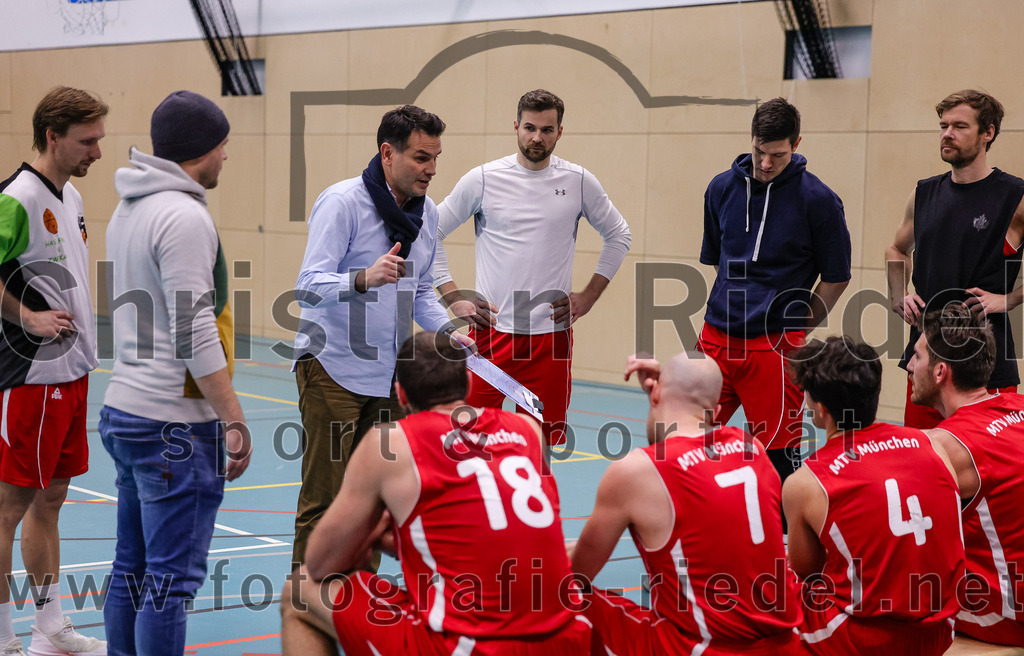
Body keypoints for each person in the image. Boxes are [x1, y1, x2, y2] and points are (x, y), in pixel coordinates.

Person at [280, 331, 590, 655]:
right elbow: (485, 529)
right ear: (469, 385)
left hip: (473, 646)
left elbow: (318, 565)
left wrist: (371, 535)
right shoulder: (526, 430)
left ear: (400, 394)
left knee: (299, 591)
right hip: (566, 635)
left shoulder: (390, 444)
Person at [99, 90, 252, 656]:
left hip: (125, 409)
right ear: (201, 149)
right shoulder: (184, 216)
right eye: (223, 145)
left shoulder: (130, 206)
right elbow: (194, 331)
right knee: (169, 584)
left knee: (132, 568)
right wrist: (233, 419)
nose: (226, 157)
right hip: (173, 425)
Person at [291, 105, 471, 567]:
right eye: (420, 157)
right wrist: (361, 279)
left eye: (435, 157)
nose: (431, 169)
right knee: (325, 499)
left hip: (388, 376)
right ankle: (307, 602)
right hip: (332, 369)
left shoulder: (426, 214)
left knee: (375, 500)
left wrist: (450, 334)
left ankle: (359, 598)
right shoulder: (343, 202)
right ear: (387, 153)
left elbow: (422, 291)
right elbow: (308, 286)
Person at [433, 89, 631, 446]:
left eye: (547, 129)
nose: (537, 137)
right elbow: (428, 232)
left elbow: (619, 235)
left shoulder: (578, 181)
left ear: (559, 132)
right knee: (467, 442)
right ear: (516, 127)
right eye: (529, 127)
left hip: (549, 341)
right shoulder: (483, 179)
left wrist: (588, 296)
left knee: (539, 447)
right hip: (489, 336)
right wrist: (451, 294)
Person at [570, 351, 802, 655]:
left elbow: (577, 571)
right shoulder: (751, 448)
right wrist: (660, 395)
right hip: (787, 643)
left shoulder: (633, 472)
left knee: (553, 587)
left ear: (657, 394)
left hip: (702, 648)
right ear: (717, 411)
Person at [0, 86, 107, 656]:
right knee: (9, 507)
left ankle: (50, 626)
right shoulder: (17, 197)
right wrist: (27, 317)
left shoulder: (72, 198)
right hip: (31, 376)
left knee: (52, 499)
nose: (96, 152)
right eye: (87, 141)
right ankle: (3, 635)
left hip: (73, 371)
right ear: (52, 136)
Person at [698, 97, 850, 487]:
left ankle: (784, 544)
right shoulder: (720, 188)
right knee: (686, 438)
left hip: (775, 346)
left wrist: (798, 326)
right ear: (751, 140)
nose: (765, 163)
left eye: (777, 155)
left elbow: (836, 277)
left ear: (796, 144)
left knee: (778, 455)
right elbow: (719, 260)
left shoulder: (820, 202)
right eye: (759, 152)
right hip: (715, 339)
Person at [784, 336, 964, 655]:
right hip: (943, 628)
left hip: (870, 639)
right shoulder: (932, 444)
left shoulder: (806, 481)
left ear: (820, 408)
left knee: (776, 591)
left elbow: (805, 569)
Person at [886, 89, 1024, 429]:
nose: (947, 133)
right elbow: (896, 249)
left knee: (982, 473)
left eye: (960, 126)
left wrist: (1009, 299)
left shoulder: (1015, 196)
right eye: (943, 125)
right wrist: (898, 294)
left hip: (986, 366)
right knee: (923, 467)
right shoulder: (923, 192)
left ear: (987, 133)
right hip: (926, 358)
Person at [909, 305, 1024, 646]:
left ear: (941, 371)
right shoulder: (1019, 407)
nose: (910, 367)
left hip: (1002, 615)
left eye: (916, 357)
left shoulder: (946, 445)